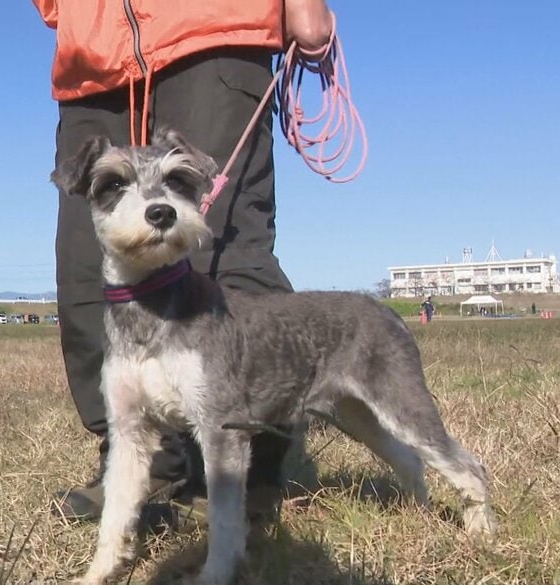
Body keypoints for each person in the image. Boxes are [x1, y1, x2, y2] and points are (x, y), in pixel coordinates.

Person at [32, 0, 334, 524]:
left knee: (224, 253)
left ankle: (246, 468)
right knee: (86, 269)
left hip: (213, 29)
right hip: (93, 52)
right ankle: (141, 457)